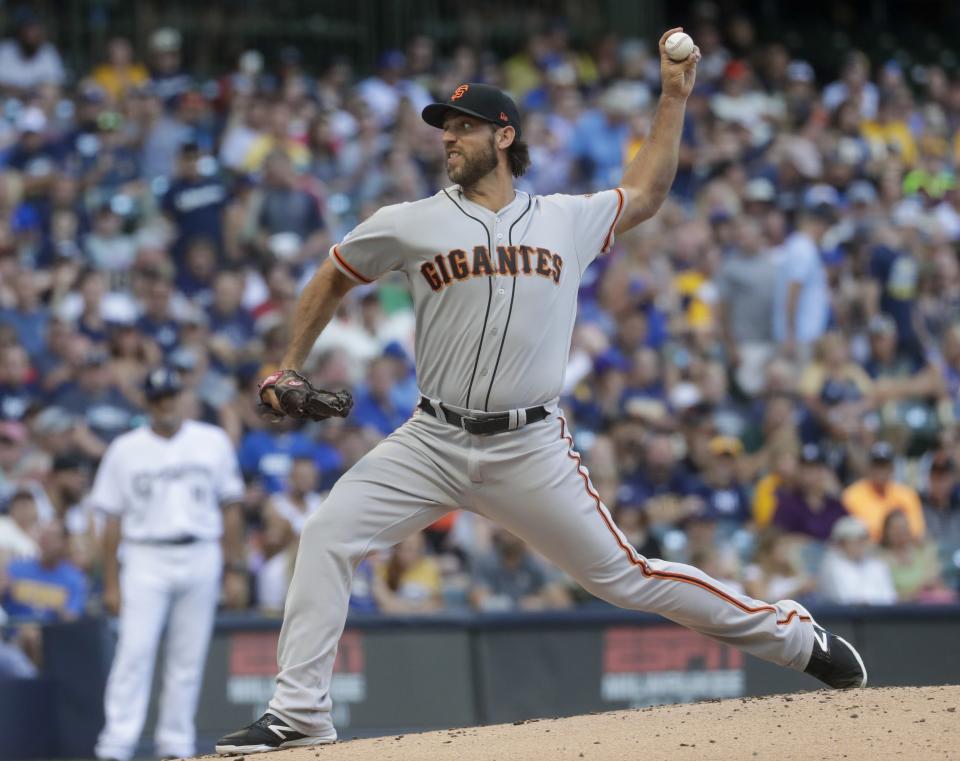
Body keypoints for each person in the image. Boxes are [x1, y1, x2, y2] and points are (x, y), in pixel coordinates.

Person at [216, 30, 866, 754]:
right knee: (327, 534)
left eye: (463, 126)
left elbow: (648, 189)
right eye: (444, 128)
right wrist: (288, 364)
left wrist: (673, 97)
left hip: (529, 445)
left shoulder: (564, 217)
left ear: (505, 135)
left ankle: (792, 635)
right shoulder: (410, 220)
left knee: (625, 576)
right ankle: (300, 711)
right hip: (431, 438)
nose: (449, 139)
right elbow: (336, 270)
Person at [93, 368, 245, 761]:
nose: (166, 403)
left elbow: (232, 508)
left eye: (171, 396)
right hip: (145, 555)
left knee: (187, 658)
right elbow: (110, 521)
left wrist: (234, 568)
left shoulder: (211, 441)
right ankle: (116, 744)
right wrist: (110, 582)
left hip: (201, 552)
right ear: (147, 402)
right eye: (158, 398)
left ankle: (174, 745)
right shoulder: (125, 448)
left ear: (181, 397)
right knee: (134, 651)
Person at [842, 441, 925, 542]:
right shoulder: (852, 495)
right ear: (869, 468)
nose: (881, 471)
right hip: (867, 551)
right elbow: (851, 534)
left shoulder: (907, 494)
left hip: (902, 548)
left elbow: (916, 531)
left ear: (892, 469)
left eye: (884, 466)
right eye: (877, 465)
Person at [818, 515, 897, 605]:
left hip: (882, 617)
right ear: (841, 544)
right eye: (853, 541)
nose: (860, 545)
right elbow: (845, 600)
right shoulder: (831, 566)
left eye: (862, 539)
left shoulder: (878, 566)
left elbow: (890, 598)